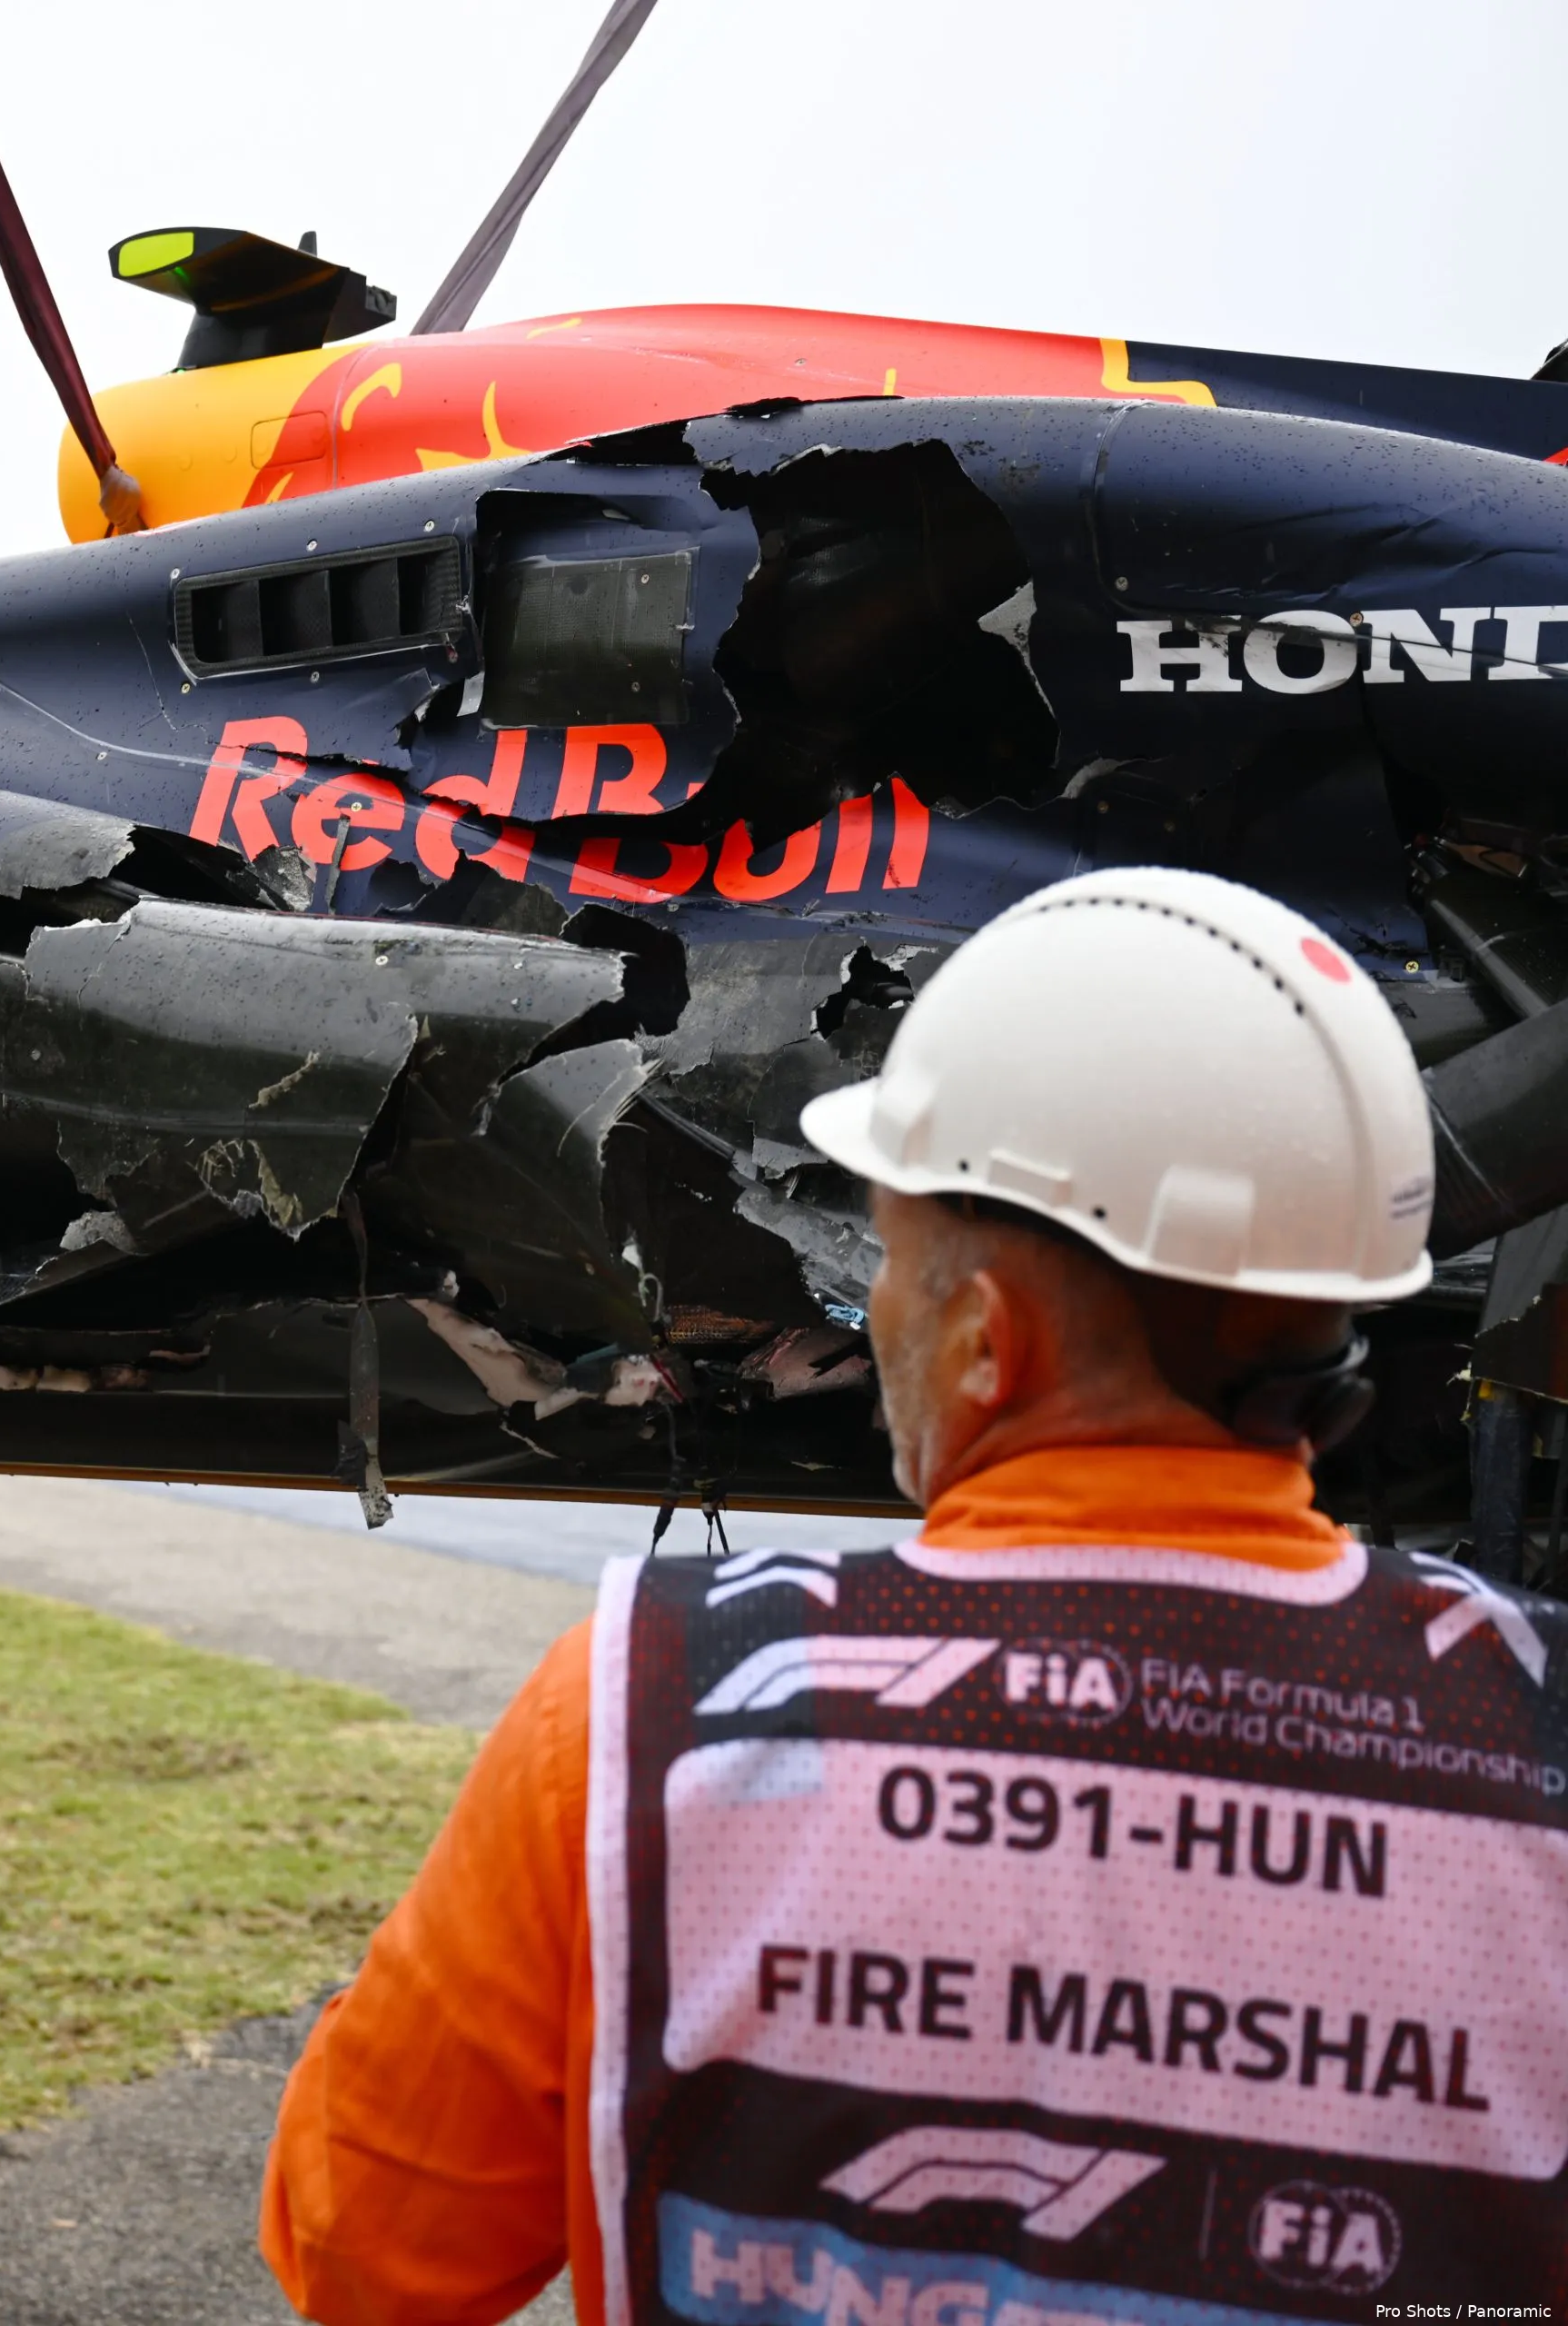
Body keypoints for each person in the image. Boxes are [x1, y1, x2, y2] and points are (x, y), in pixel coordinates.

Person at [262, 867, 1567, 2324]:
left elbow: (363, 2249)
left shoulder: (655, 1721)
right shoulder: (1540, 1743)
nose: (871, 1309)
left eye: (886, 1260)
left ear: (992, 1342)